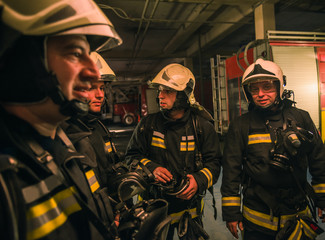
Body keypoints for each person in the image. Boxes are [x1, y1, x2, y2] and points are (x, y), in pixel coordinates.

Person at [0, 0, 123, 239]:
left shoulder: (67, 145)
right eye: (76, 53)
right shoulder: (6, 178)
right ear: (24, 60)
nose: (94, 73)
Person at [221, 58, 325, 240]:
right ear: (248, 92)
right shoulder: (240, 125)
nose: (260, 94)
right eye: (254, 89)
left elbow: (319, 160)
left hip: (297, 214)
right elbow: (231, 171)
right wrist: (231, 212)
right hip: (257, 221)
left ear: (279, 88)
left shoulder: (302, 118)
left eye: (267, 87)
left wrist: (322, 198)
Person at [125, 63, 222, 239]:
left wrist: (199, 180)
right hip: (153, 208)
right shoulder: (147, 125)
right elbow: (131, 157)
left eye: (168, 91)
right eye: (160, 90)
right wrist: (151, 168)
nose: (160, 95)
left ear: (183, 95)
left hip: (190, 211)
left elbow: (214, 164)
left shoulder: (202, 127)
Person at [61, 52, 121, 192]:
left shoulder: (97, 125)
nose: (100, 95)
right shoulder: (66, 133)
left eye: (101, 88)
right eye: (91, 88)